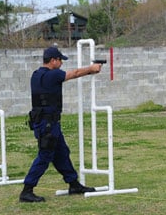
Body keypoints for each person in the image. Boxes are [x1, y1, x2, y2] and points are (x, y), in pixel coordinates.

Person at [18, 46, 103, 203]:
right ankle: (27, 189)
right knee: (45, 156)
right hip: (48, 123)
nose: (61, 64)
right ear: (53, 61)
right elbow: (75, 73)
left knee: (62, 153)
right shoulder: (53, 74)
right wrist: (91, 68)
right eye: (60, 61)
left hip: (45, 122)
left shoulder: (36, 75)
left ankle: (73, 184)